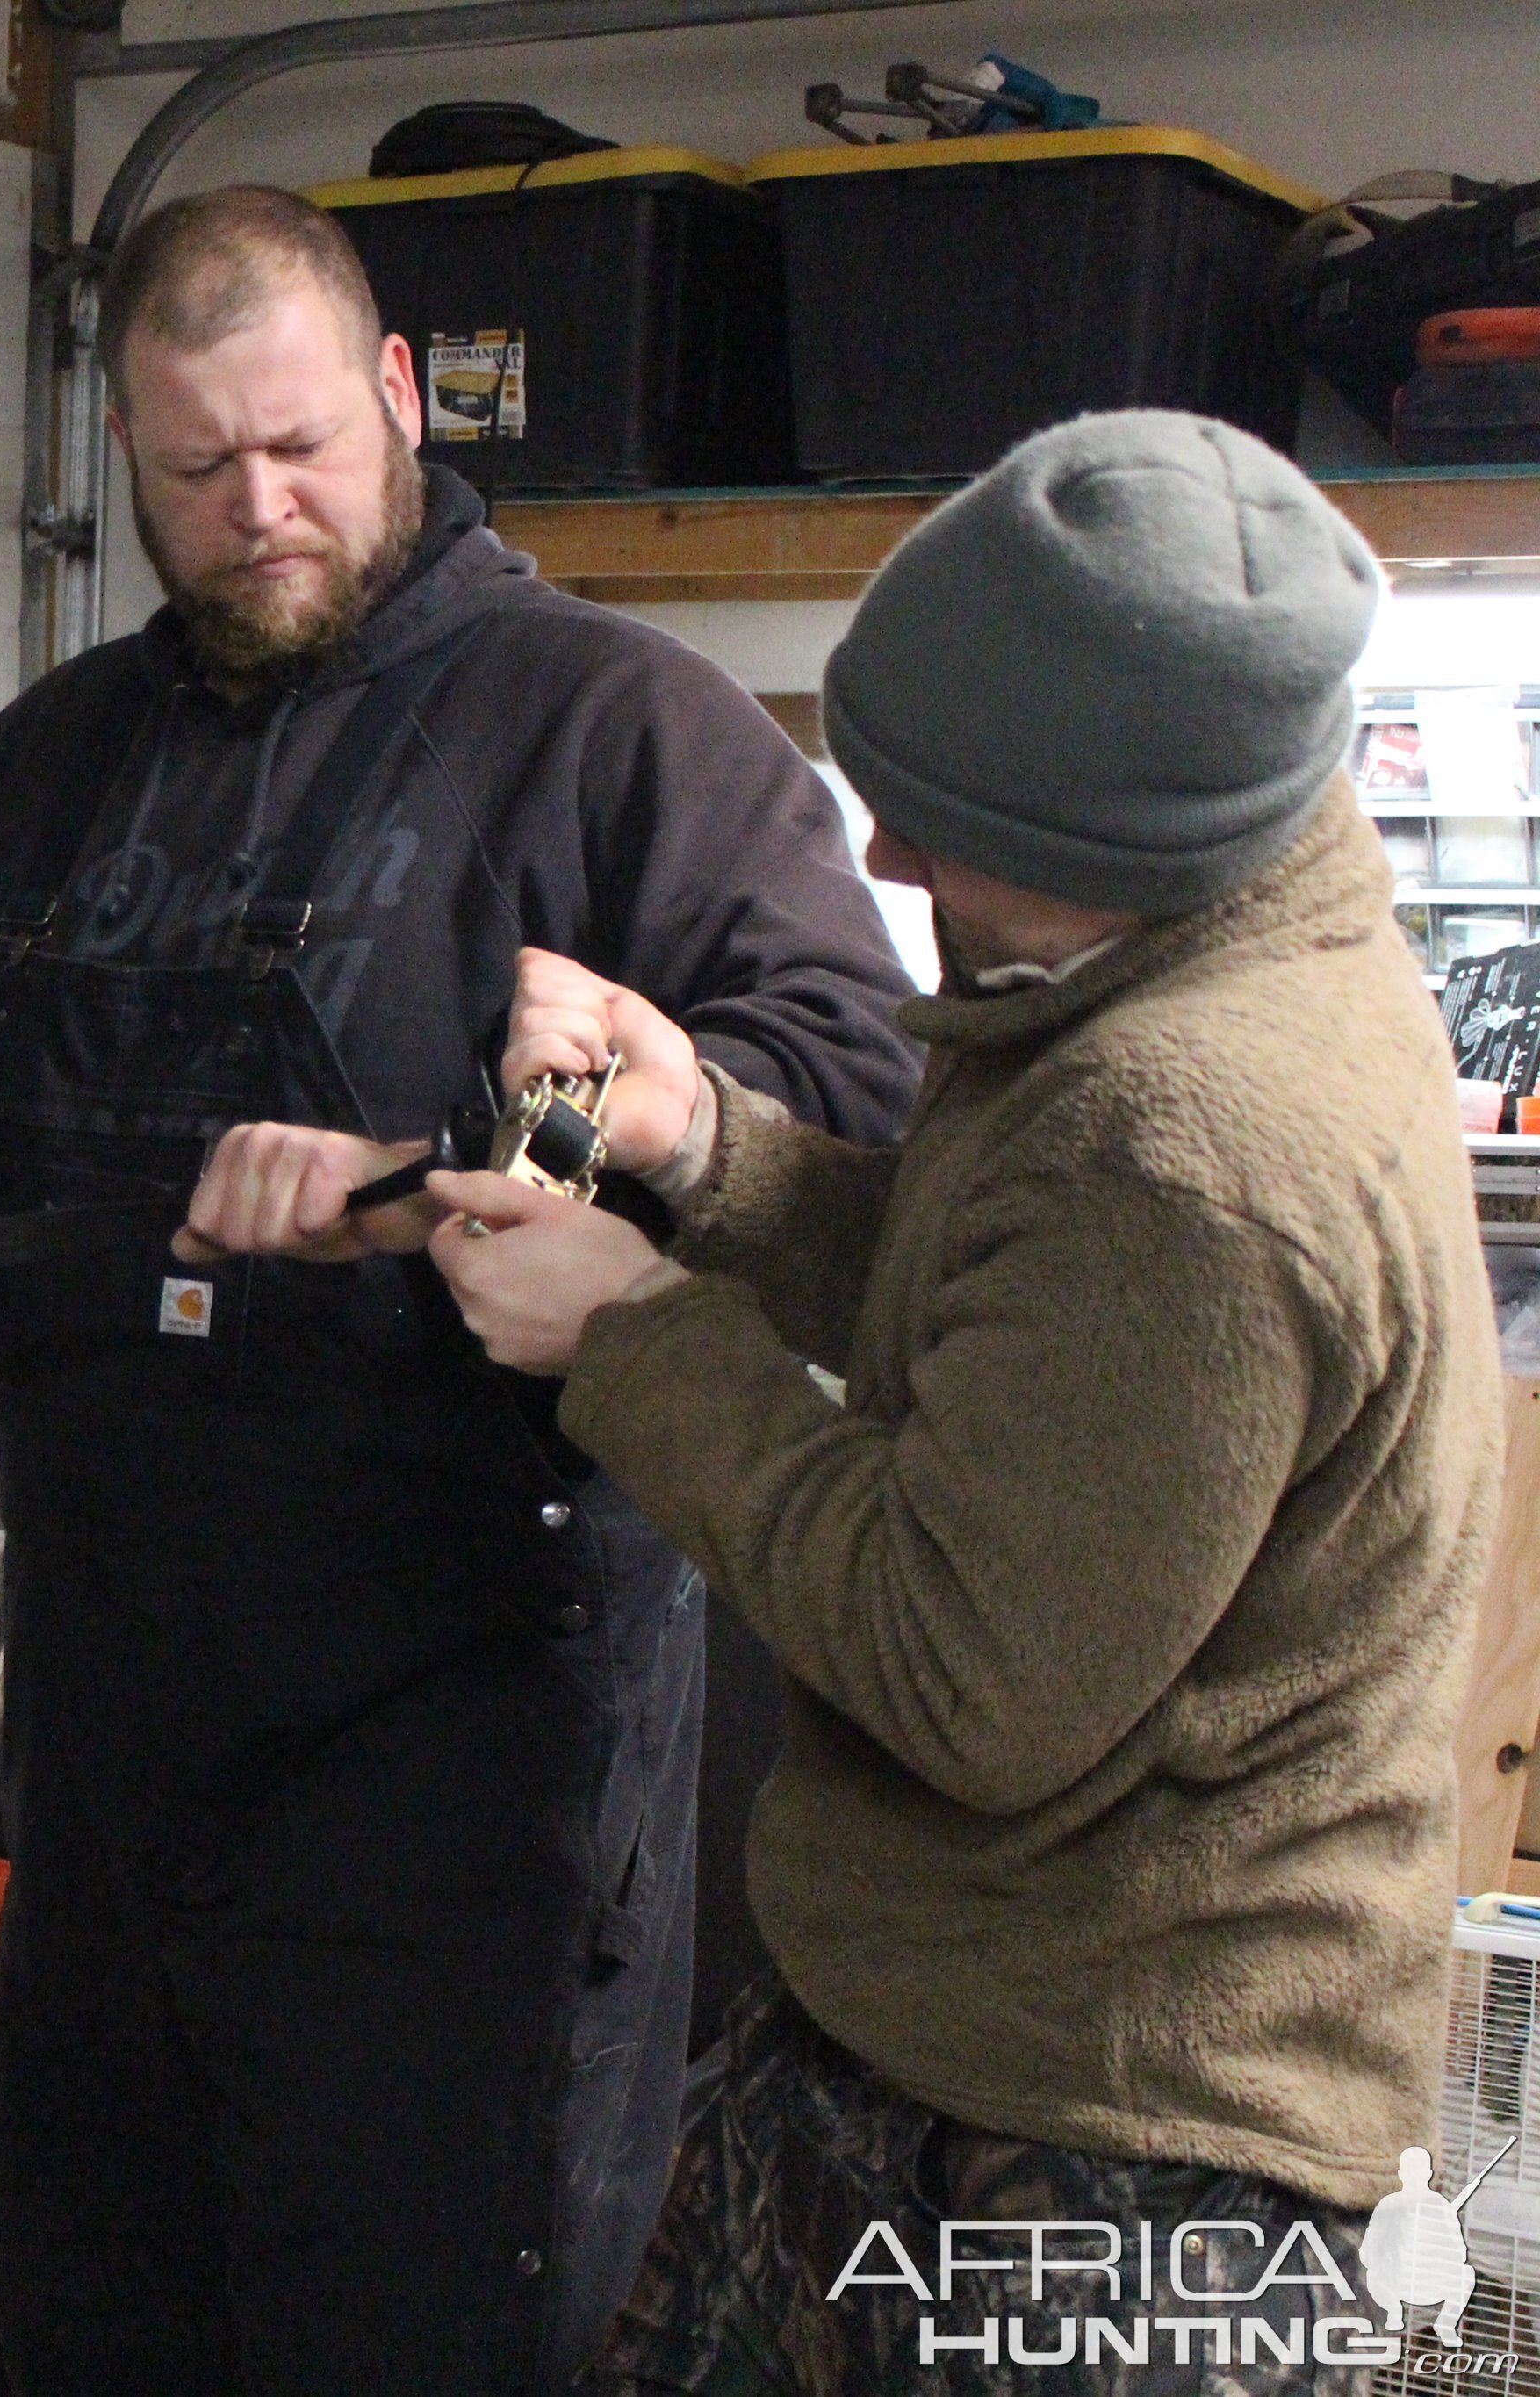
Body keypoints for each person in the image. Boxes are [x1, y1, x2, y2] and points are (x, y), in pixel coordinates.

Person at [0, 184, 921, 2393]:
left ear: (390, 396)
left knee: (416, 2331)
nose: (255, 512)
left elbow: (832, 1109)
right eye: (192, 474)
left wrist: (461, 1164)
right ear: (120, 464)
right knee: (93, 2305)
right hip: (113, 1730)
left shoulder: (620, 732)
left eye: (296, 451)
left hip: (477, 1747)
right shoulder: (50, 766)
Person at [416, 411, 1499, 2392]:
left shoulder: (1192, 1136)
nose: (889, 855)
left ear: (1128, 840)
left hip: (1110, 2163)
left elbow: (960, 1671)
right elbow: (1017, 1318)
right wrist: (704, 1147)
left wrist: (630, 1336)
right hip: (913, 2044)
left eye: (940, 820)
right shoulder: (1190, 947)